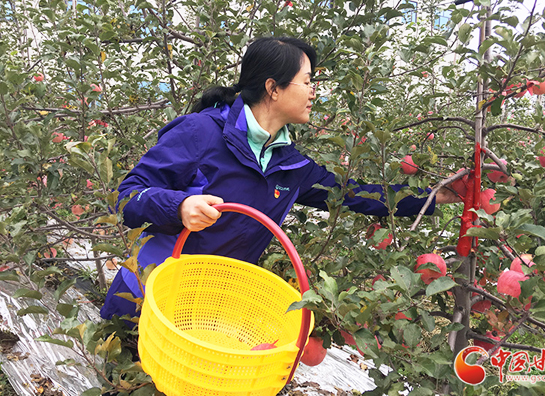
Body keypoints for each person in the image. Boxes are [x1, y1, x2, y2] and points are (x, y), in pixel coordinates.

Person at [100, 36, 460, 321]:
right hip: (145, 298)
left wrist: (439, 195)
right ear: (274, 88)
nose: (313, 91)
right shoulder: (200, 133)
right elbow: (129, 198)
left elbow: (352, 194)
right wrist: (179, 206)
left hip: (207, 310)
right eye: (307, 82)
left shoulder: (288, 165)